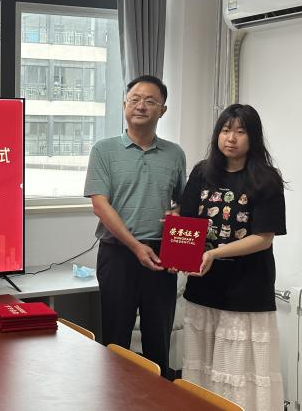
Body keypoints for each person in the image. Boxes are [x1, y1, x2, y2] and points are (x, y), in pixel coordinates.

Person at [180, 104, 286, 411]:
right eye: (226, 130)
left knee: (237, 374)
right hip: (204, 286)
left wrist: (214, 252)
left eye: (241, 131)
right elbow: (188, 223)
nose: (231, 138)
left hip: (246, 291)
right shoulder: (202, 173)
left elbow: (263, 238)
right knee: (201, 369)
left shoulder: (266, 178)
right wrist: (178, 251)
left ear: (253, 137)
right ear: (217, 134)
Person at [84, 75, 186, 377]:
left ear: (162, 110)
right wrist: (135, 246)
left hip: (162, 256)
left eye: (150, 101)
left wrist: (178, 213)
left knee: (159, 339)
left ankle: (157, 398)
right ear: (124, 104)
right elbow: (100, 205)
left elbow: (183, 202)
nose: (141, 106)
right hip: (118, 254)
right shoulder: (103, 150)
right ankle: (114, 397)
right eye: (135, 99)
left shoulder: (175, 154)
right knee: (115, 340)